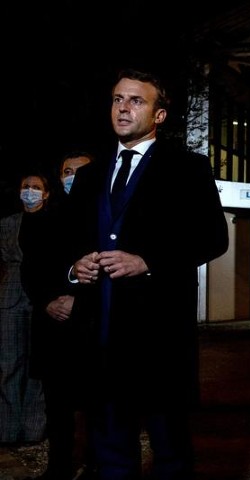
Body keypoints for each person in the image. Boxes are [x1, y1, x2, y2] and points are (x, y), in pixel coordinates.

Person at [64, 67, 229, 480]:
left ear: (159, 115)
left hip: (158, 340)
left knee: (169, 451)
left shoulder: (187, 168)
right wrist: (72, 266)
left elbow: (213, 238)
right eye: (118, 99)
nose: (123, 108)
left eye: (136, 100)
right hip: (100, 337)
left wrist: (148, 260)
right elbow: (65, 242)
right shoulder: (88, 176)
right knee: (110, 452)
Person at [24, 152, 96, 480]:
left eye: (79, 171)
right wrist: (46, 301)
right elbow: (31, 268)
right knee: (57, 406)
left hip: (89, 328)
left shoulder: (104, 216)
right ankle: (59, 468)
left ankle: (98, 466)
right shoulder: (44, 217)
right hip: (52, 326)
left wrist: (77, 302)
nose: (72, 177)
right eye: (67, 171)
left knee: (95, 405)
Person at [0, 172, 49, 444]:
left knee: (37, 368)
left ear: (46, 194)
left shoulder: (53, 223)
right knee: (8, 366)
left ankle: (33, 429)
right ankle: (6, 430)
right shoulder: (7, 224)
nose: (30, 191)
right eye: (25, 187)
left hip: (43, 299)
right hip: (10, 298)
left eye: (36, 187)